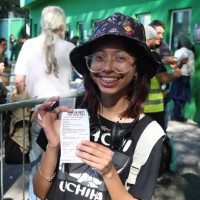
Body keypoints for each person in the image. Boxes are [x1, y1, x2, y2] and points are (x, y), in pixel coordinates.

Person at [33, 13, 165, 200]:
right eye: (99, 57)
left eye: (120, 58)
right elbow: (39, 191)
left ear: (137, 69)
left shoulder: (148, 134)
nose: (107, 67)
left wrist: (109, 172)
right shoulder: (65, 111)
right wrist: (53, 146)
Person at [14, 6, 75, 200]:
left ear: (42, 22)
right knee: (65, 167)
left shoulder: (29, 45)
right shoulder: (70, 47)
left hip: (40, 113)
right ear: (62, 23)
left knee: (38, 167)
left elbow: (18, 81)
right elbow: (87, 76)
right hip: (66, 113)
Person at [143, 25, 182, 132]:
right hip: (153, 107)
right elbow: (164, 78)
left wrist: (164, 61)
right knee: (158, 137)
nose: (159, 37)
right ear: (148, 38)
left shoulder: (136, 54)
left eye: (162, 34)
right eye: (157, 34)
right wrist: (175, 74)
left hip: (140, 107)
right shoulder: (153, 55)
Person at [170, 37, 195, 122]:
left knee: (176, 97)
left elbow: (174, 64)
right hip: (185, 77)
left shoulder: (177, 51)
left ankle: (175, 114)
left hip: (176, 76)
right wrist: (190, 75)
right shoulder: (190, 52)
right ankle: (178, 115)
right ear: (188, 45)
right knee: (182, 98)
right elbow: (191, 66)